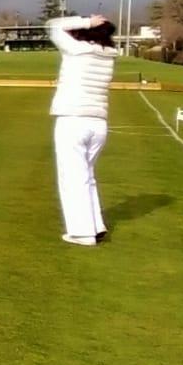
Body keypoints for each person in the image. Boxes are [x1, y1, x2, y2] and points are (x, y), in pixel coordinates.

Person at [49, 13, 118, 246]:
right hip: (98, 122)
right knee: (86, 176)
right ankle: (95, 226)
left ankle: (82, 233)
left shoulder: (76, 50)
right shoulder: (108, 56)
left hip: (73, 118)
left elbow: (54, 26)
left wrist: (87, 20)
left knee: (73, 177)